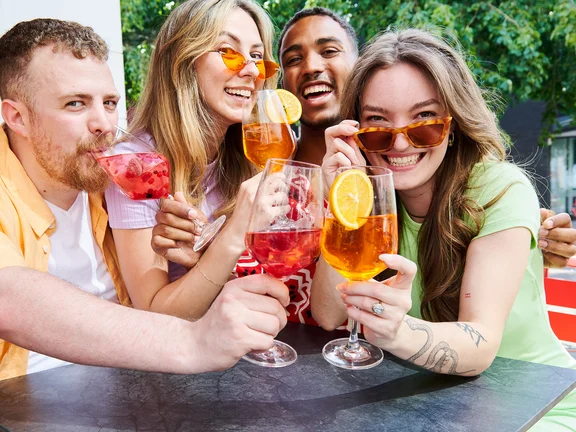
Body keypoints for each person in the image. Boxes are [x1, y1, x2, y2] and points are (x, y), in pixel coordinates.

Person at [152, 7, 576, 322]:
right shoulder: (260, 165)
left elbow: (464, 199)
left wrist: (528, 233)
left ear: (357, 70)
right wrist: (202, 248)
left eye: (329, 50)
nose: (311, 66)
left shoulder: (392, 170)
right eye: (293, 58)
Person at [314, 28, 576, 430]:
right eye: (378, 123)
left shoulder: (501, 188)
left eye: (424, 120)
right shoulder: (373, 201)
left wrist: (396, 331)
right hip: (437, 406)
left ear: (452, 126)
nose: (400, 143)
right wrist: (340, 198)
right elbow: (328, 313)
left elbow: (480, 345)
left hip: (539, 406)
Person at [0, 17, 288, 381]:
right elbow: (10, 296)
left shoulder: (111, 180)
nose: (104, 124)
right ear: (17, 117)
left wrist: (201, 254)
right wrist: (193, 342)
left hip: (132, 387)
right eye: (75, 104)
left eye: (109, 103)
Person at [105, 0, 286, 320]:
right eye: (228, 51)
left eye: (257, 56)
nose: (250, 70)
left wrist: (205, 256)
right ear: (183, 62)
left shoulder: (251, 155)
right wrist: (233, 234)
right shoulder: (136, 164)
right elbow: (153, 311)